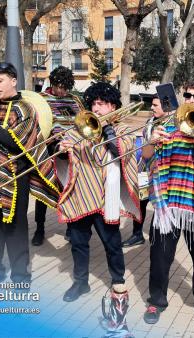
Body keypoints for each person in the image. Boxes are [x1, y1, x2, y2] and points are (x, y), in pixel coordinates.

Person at [0, 62, 59, 284]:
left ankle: (20, 277)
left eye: (0, 81)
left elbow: (17, 144)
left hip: (13, 178)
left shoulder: (24, 108)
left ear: (13, 81)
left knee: (15, 230)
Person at [142, 79, 194, 327]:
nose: (191, 100)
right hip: (166, 204)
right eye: (188, 95)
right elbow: (146, 157)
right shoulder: (165, 126)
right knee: (159, 255)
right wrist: (152, 139)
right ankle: (156, 301)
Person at [56, 82, 140, 302]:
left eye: (101, 104)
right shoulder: (81, 128)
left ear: (112, 106)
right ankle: (80, 282)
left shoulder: (122, 129)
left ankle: (118, 280)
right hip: (80, 195)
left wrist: (106, 129)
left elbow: (122, 151)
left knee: (112, 244)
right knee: (78, 244)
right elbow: (64, 154)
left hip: (105, 199)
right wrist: (63, 151)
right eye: (93, 103)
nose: (96, 108)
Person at [31, 65, 82, 246]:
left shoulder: (74, 100)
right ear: (52, 83)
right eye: (59, 87)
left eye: (65, 87)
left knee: (68, 189)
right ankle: (40, 228)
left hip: (71, 151)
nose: (62, 91)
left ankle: (70, 226)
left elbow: (83, 122)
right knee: (43, 189)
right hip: (48, 150)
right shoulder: (41, 99)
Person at [121, 95, 167, 248]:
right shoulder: (150, 122)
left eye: (155, 105)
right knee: (140, 202)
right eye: (152, 105)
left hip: (162, 172)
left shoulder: (172, 123)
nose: (152, 108)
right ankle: (137, 234)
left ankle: (160, 236)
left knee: (159, 205)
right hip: (145, 168)